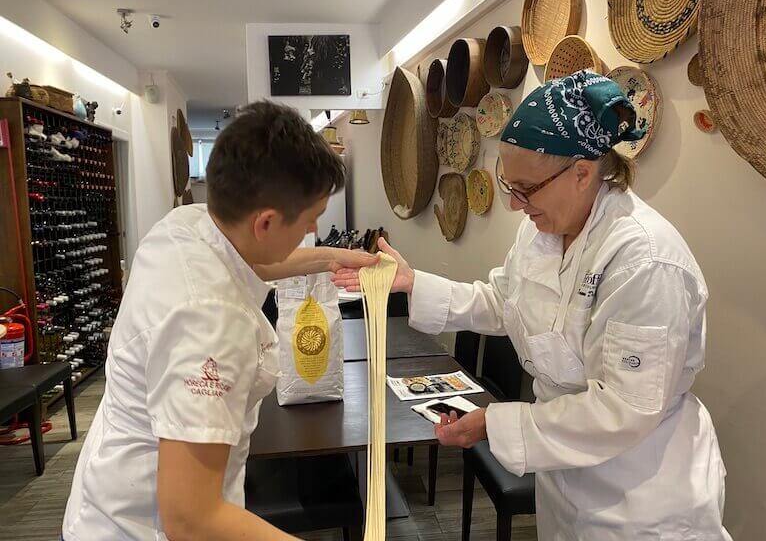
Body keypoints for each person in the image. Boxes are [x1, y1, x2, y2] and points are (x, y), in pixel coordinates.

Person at [333, 71, 732, 540]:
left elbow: (623, 410)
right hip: (564, 479)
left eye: (525, 189)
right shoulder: (543, 232)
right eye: (509, 185)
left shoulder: (644, 260)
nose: (516, 205)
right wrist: (412, 283)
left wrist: (496, 424)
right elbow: (503, 301)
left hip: (642, 497)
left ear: (582, 172)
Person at [62, 101, 377, 541]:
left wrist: (335, 258)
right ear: (266, 222)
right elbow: (192, 517)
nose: (313, 229)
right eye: (311, 221)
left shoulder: (189, 222)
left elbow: (258, 261)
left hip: (105, 493)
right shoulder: (211, 321)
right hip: (136, 526)